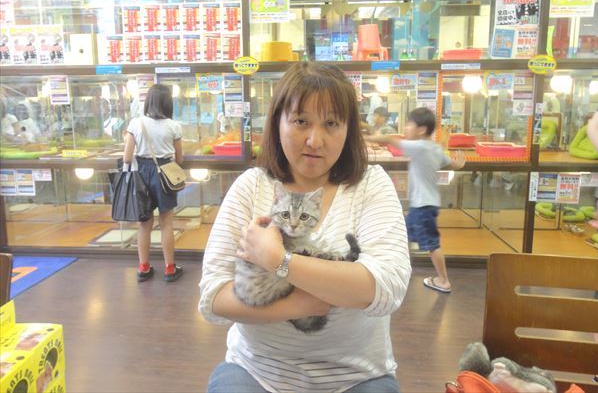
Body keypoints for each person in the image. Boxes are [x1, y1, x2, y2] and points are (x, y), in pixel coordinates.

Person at [199, 62, 411, 393]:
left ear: (348, 130)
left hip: (356, 376)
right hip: (257, 371)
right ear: (277, 122)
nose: (315, 140)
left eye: (331, 123)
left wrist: (277, 259)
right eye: (301, 121)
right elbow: (214, 298)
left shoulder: (371, 185)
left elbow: (386, 289)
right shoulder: (251, 187)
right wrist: (300, 304)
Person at [367, 107, 464, 294]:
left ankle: (443, 280)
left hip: (422, 207)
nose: (406, 128)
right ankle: (401, 270)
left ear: (421, 129)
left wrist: (367, 138)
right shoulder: (435, 148)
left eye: (409, 124)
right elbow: (452, 163)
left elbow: (390, 140)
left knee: (432, 244)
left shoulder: (420, 147)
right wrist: (460, 164)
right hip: (426, 205)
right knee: (403, 235)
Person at [123, 84, 184, 282]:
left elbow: (127, 157)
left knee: (144, 224)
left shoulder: (136, 124)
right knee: (166, 223)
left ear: (148, 101)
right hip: (165, 172)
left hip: (141, 174)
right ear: (167, 103)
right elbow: (180, 159)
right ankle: (170, 268)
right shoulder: (174, 126)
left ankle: (144, 267)